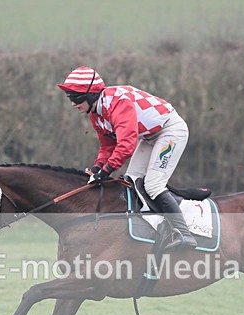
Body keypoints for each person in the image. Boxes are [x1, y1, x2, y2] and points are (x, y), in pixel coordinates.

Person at [57, 66, 196, 250]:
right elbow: (108, 145)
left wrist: (107, 171)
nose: (73, 103)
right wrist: (98, 167)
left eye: (75, 97)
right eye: (70, 97)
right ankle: (152, 229)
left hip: (170, 131)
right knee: (131, 181)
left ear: (91, 94)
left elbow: (126, 145)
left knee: (153, 185)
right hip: (150, 136)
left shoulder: (117, 103)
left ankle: (184, 234)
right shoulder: (95, 113)